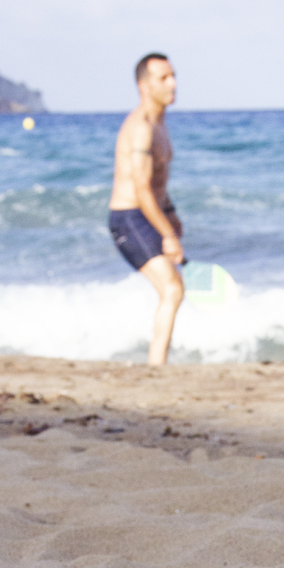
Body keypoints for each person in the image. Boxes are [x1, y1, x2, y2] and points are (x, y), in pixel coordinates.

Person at [109, 53, 185, 366]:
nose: (173, 83)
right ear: (143, 86)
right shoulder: (141, 128)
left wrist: (170, 214)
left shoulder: (160, 125)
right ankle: (157, 366)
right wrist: (167, 235)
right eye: (163, 78)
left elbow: (155, 186)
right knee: (171, 287)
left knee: (172, 288)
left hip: (148, 213)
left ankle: (158, 363)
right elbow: (140, 188)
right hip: (128, 218)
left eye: (173, 75)